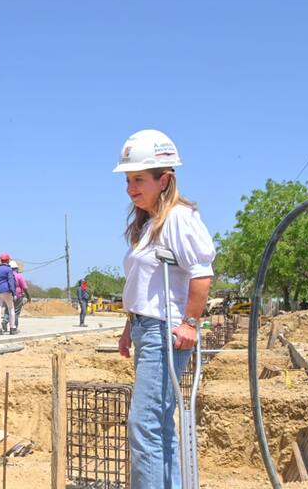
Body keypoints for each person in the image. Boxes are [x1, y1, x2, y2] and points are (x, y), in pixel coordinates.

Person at [113, 129, 215, 488]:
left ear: (165, 179)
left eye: (139, 179)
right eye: (128, 180)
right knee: (157, 426)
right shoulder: (147, 224)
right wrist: (130, 327)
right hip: (146, 328)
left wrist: (190, 322)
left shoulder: (179, 219)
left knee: (145, 426)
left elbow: (202, 274)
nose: (131, 187)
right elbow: (146, 286)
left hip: (165, 333)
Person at [0, 253, 17, 335]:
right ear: (8, 260)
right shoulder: (8, 269)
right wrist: (13, 292)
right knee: (11, 309)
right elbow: (11, 281)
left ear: (1, 260)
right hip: (6, 291)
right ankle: (12, 328)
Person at [9, 260, 31, 334]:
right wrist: (28, 297)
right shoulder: (19, 276)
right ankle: (14, 328)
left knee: (8, 311)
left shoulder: (7, 276)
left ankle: (5, 321)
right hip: (18, 296)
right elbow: (24, 287)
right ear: (16, 268)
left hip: (8, 295)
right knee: (16, 312)